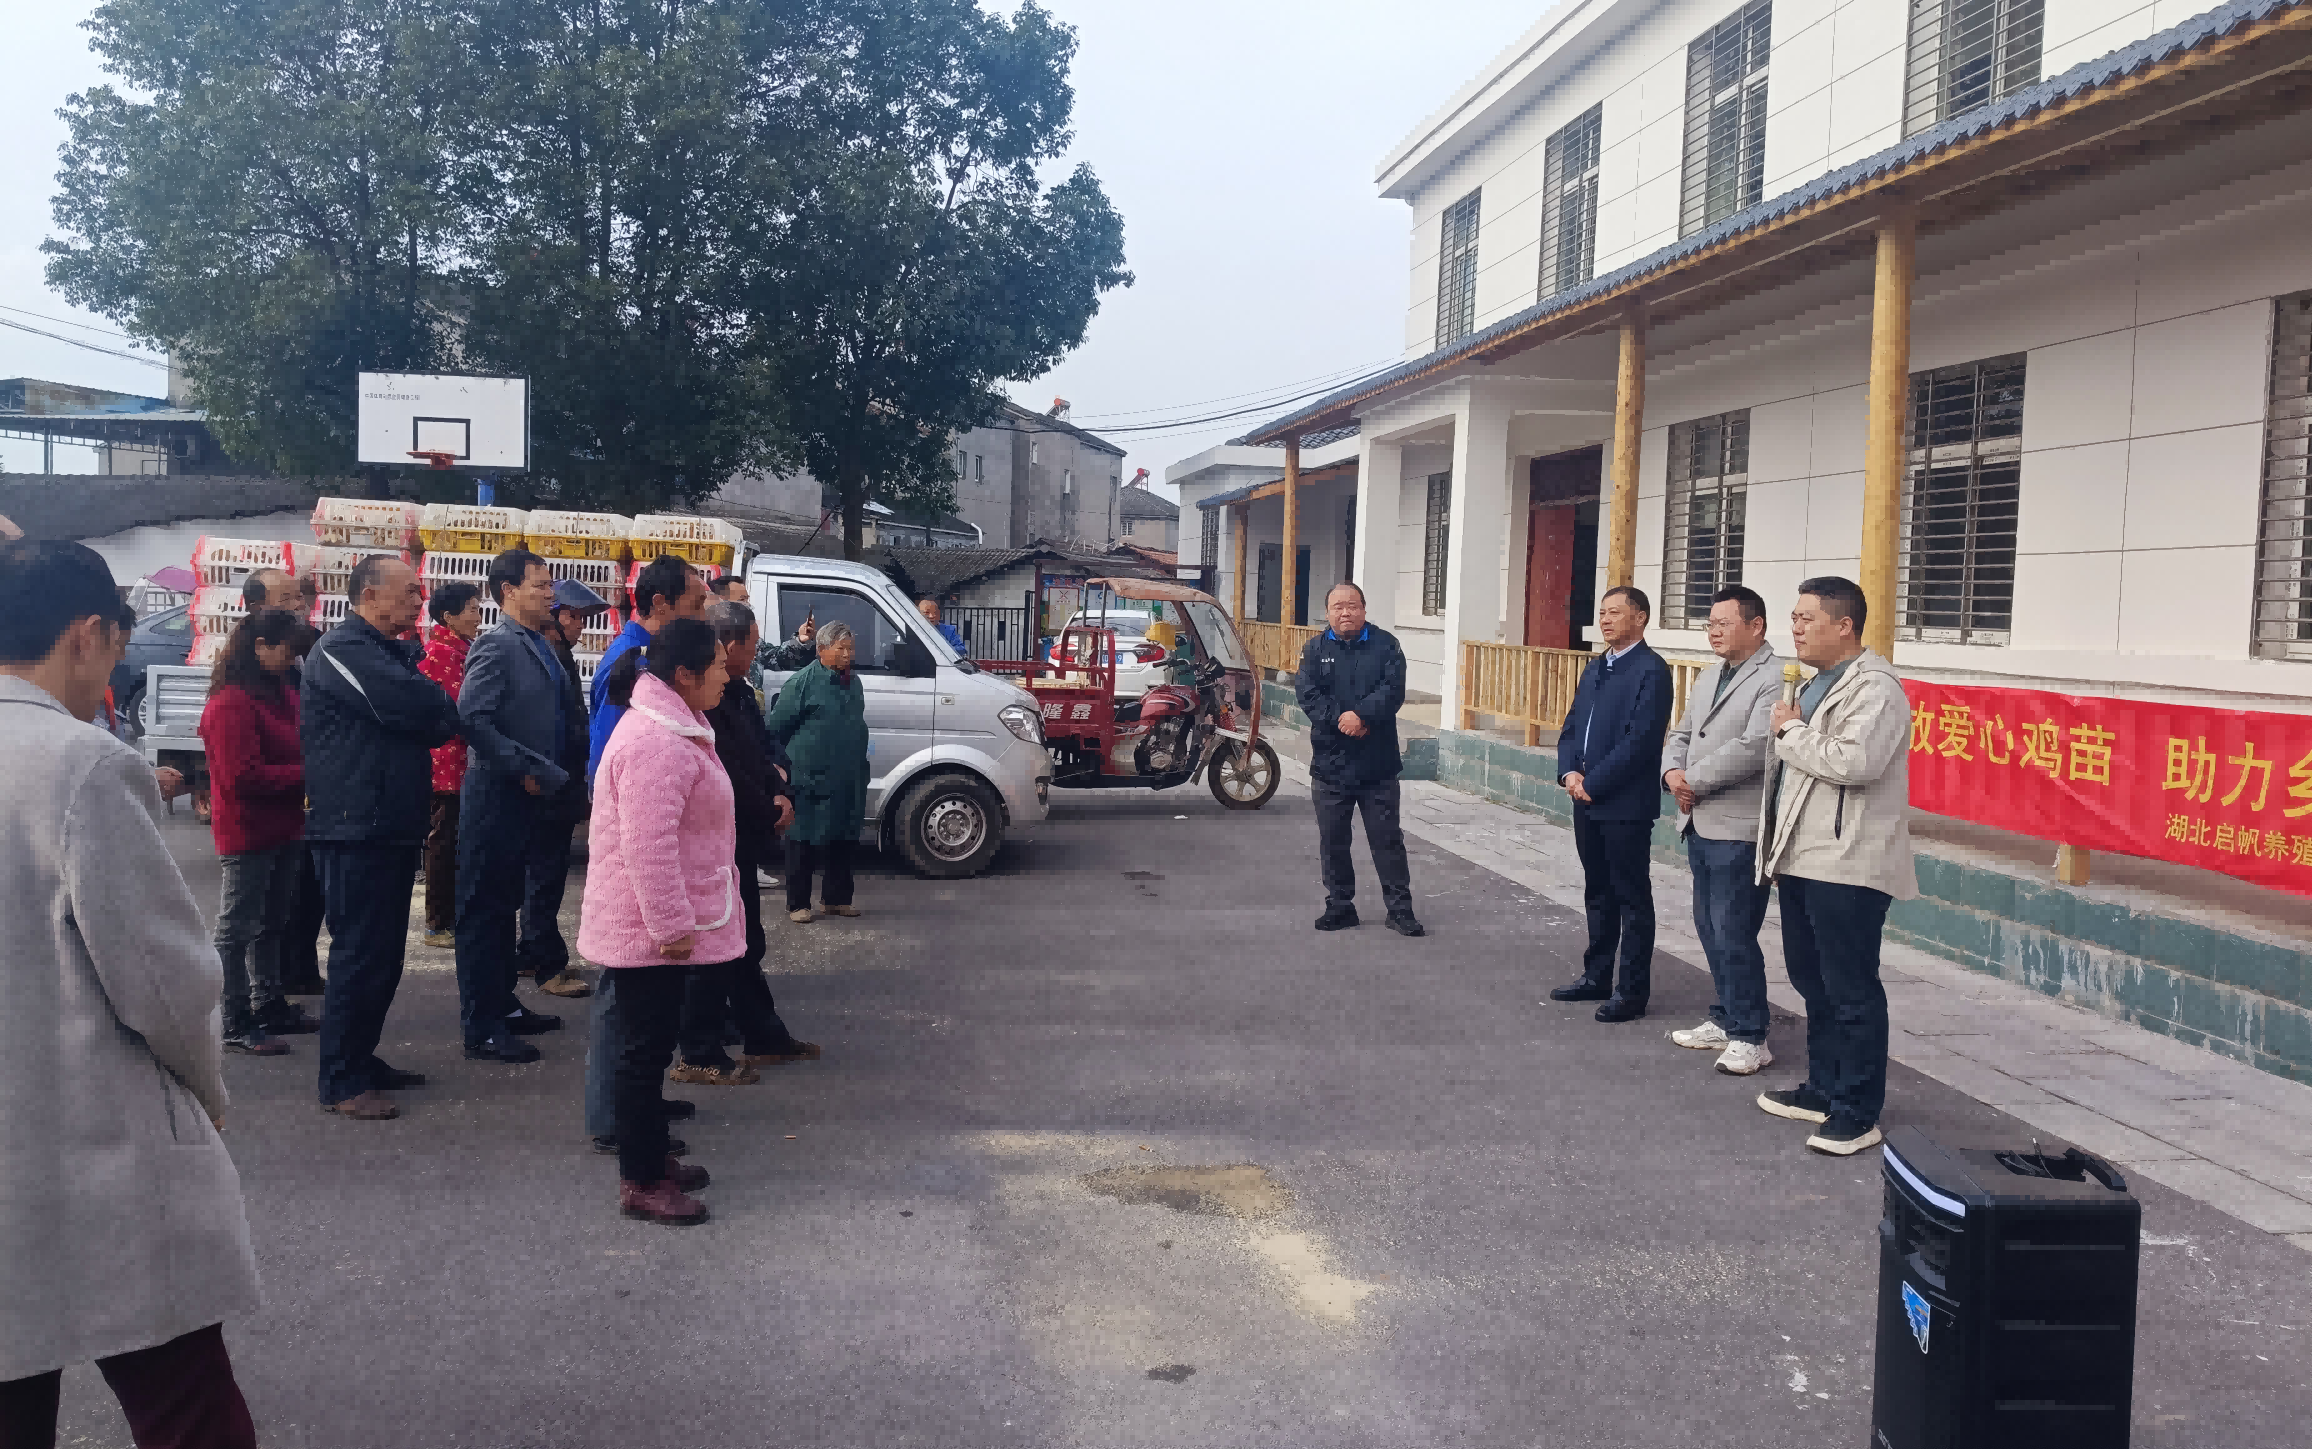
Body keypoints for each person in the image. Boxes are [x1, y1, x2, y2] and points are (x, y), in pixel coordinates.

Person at [0, 539, 262, 1449]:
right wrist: (207, 1088)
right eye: (114, 645)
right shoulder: (81, 763)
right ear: (89, 634)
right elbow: (162, 979)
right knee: (185, 1403)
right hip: (91, 1145)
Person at [1755, 576, 1918, 1157]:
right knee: (1812, 979)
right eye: (1794, 618)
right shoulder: (1814, 683)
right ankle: (1822, 1088)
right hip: (1803, 855)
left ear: (1844, 625)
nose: (1795, 628)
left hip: (1848, 861)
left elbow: (1856, 762)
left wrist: (1789, 729)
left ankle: (1857, 1110)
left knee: (1851, 989)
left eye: (1807, 618)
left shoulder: (1876, 688)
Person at [578, 618, 733, 1225]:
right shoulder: (656, 742)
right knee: (640, 1055)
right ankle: (641, 1180)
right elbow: (648, 846)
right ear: (685, 675)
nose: (726, 675)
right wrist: (671, 927)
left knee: (649, 1048)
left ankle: (650, 1158)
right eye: (717, 666)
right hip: (647, 928)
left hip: (656, 925)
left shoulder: (674, 726)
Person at [304, 553, 461, 1121]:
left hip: (389, 823)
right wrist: (426, 709)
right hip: (354, 826)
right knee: (359, 954)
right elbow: (417, 705)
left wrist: (427, 710)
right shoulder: (342, 650)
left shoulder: (388, 651)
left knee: (384, 955)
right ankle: (341, 1079)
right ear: (368, 596)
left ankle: (361, 1058)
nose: (420, 602)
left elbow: (439, 717)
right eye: (409, 592)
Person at [674, 599, 821, 1087]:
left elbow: (761, 751)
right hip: (714, 838)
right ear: (727, 646)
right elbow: (727, 770)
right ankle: (698, 1051)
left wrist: (780, 791)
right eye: (751, 647)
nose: (753, 656)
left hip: (740, 835)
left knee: (743, 939)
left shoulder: (735, 692)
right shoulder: (699, 703)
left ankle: (763, 1034)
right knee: (714, 947)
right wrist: (768, 807)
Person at [453, 548, 571, 1063]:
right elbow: (472, 719)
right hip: (498, 794)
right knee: (483, 912)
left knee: (505, 907)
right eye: (540, 585)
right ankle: (482, 1024)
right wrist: (522, 767)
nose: (550, 594)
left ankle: (503, 1004)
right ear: (508, 591)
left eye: (550, 585)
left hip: (531, 795)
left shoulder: (537, 641)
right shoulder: (496, 645)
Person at [1660, 585, 1780, 1074]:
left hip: (1739, 826)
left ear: (1756, 626)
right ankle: (1726, 1017)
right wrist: (1672, 772)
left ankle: (1751, 1035)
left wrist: (1692, 779)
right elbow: (1682, 732)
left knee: (1734, 931)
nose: (1713, 632)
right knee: (1709, 926)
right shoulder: (1710, 675)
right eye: (1709, 624)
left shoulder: (1775, 678)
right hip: (1699, 819)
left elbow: (1755, 747)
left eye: (1723, 623)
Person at [199, 606, 321, 1057]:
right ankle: (234, 1019)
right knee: (238, 929)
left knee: (273, 923)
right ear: (260, 647)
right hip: (247, 831)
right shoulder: (231, 703)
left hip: (285, 825)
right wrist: (308, 774)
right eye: (287, 651)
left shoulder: (279, 692)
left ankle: (268, 1003)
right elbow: (240, 778)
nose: (292, 660)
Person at [1550, 585, 1674, 1023]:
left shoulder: (1652, 671)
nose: (1604, 620)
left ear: (1640, 618)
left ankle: (1632, 991)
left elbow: (1641, 741)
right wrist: (1569, 772)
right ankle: (1597, 976)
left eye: (1615, 613)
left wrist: (1595, 783)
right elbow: (1571, 726)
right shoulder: (1596, 666)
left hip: (1624, 804)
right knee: (1597, 891)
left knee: (1631, 897)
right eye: (1602, 613)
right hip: (1584, 797)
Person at [1296, 581, 1422, 937]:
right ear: (1327, 613)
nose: (1345, 612)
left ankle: (1400, 910)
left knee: (1387, 840)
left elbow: (1392, 691)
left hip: (1377, 764)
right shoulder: (1314, 649)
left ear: (1364, 609)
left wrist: (1363, 716)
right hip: (1330, 764)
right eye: (1338, 607)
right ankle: (1340, 906)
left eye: (1352, 605)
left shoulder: (1386, 645)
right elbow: (1307, 694)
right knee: (1333, 841)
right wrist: (1342, 719)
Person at [519, 579, 605, 1000]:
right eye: (575, 618)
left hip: (560, 781)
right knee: (544, 877)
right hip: (551, 785)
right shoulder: (549, 655)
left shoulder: (557, 654)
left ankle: (531, 952)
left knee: (544, 876)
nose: (580, 626)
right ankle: (546, 964)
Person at [766, 619, 870, 923]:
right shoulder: (802, 683)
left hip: (847, 777)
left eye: (851, 648)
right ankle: (798, 904)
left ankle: (836, 900)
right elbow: (777, 730)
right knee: (803, 840)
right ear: (821, 649)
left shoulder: (854, 683)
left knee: (843, 837)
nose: (848, 655)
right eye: (841, 648)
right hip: (809, 777)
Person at [589, 554, 707, 783]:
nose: (703, 617)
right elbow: (606, 754)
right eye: (696, 605)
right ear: (660, 603)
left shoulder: (657, 654)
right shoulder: (629, 661)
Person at [417, 581, 483, 948]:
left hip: (461, 760)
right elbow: (459, 708)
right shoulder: (440, 654)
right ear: (448, 616)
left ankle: (451, 917)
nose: (478, 616)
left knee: (456, 841)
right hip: (447, 763)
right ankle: (438, 924)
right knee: (443, 842)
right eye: (472, 609)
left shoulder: (462, 649)